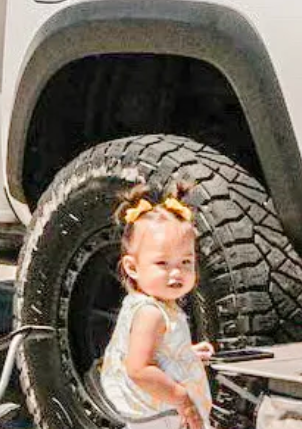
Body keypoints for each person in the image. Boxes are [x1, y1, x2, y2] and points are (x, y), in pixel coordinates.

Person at [98, 183, 215, 429]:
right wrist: (182, 399)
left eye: (186, 261)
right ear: (132, 267)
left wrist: (184, 354)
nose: (177, 273)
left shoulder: (154, 305)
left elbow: (154, 354)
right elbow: (139, 369)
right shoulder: (150, 313)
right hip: (160, 418)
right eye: (163, 263)